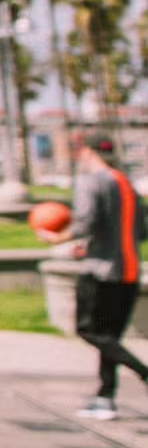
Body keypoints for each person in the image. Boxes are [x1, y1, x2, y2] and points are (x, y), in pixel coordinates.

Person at [42, 129, 146, 420]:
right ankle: (105, 399)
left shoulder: (90, 182)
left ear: (87, 152)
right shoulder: (128, 185)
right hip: (129, 271)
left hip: (100, 273)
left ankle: (144, 373)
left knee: (88, 330)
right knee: (110, 337)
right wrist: (93, 246)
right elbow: (141, 231)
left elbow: (85, 222)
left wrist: (56, 239)